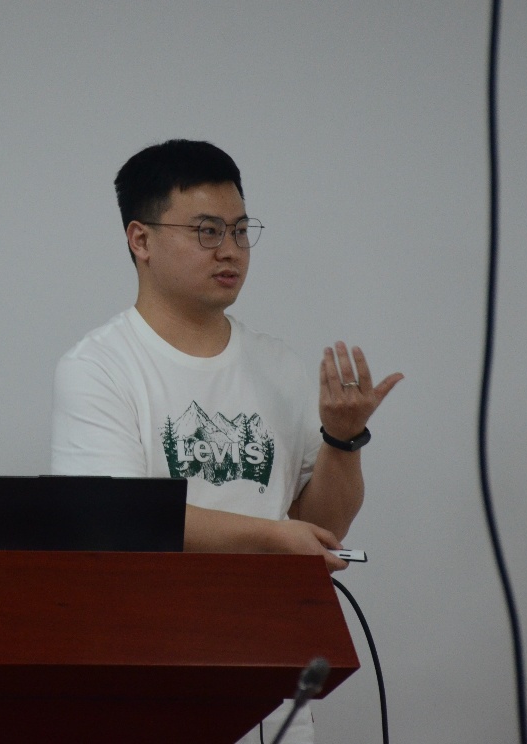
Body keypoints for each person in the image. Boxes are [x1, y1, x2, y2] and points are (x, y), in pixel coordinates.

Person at [49, 138, 403, 743]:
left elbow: (320, 529)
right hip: (148, 674)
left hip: (272, 673)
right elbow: (115, 520)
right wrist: (271, 536)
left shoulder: (278, 365)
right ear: (140, 240)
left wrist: (344, 442)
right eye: (207, 231)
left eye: (241, 231)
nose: (231, 250)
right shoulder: (100, 367)